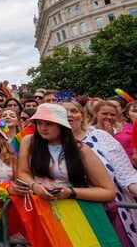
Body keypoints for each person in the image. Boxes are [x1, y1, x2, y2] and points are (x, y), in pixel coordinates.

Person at [63, 99, 137, 244]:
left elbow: (127, 175)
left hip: (110, 213)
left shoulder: (101, 137)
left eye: (74, 111)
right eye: (63, 112)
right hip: (71, 215)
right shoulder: (47, 143)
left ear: (82, 115)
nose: (69, 115)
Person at [16, 103, 115, 201]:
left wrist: (70, 192)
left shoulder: (80, 149)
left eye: (49, 124)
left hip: (73, 210)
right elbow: (23, 172)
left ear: (62, 126)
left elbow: (108, 192)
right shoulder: (28, 141)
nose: (43, 128)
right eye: (39, 123)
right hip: (37, 207)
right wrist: (34, 186)